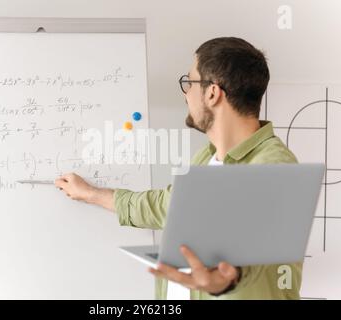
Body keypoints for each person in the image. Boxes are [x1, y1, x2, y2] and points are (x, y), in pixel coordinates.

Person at [55, 37, 302, 300]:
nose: (186, 94)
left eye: (189, 82)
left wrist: (225, 280)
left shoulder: (274, 165)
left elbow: (255, 244)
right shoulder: (205, 159)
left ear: (212, 93)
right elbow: (164, 206)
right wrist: (90, 193)